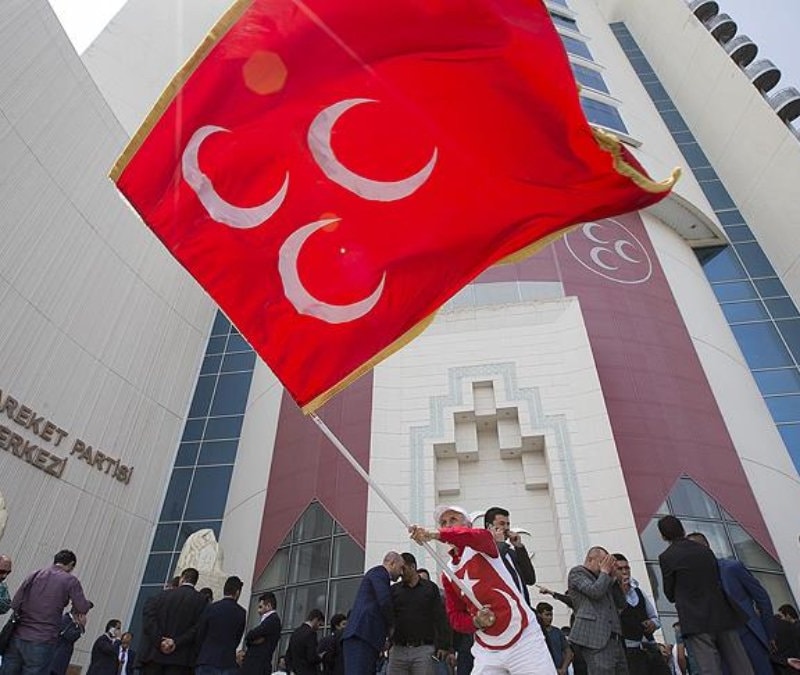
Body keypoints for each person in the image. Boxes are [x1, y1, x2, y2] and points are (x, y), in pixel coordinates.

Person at [409, 505, 555, 675]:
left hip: (524, 640)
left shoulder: (483, 544)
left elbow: (474, 537)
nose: (448, 525)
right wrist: (476, 622)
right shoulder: (447, 573)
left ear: (468, 525)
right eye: (443, 522)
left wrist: (434, 534)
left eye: (453, 520)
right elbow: (455, 616)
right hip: (487, 649)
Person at [657, 516, 752, 675]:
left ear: (663, 535)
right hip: (721, 613)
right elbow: (716, 576)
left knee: (709, 668)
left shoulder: (667, 557)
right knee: (741, 664)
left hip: (695, 619)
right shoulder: (704, 549)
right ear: (682, 529)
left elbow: (670, 593)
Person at [686, 532, 774, 675]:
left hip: (749, 636)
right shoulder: (695, 581)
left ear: (706, 547)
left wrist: (769, 633)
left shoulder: (732, 568)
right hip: (723, 646)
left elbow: (762, 598)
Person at [1, 549, 93, 675]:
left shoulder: (34, 574)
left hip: (18, 637)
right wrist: (87, 604)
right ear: (71, 565)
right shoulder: (70, 581)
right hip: (43, 639)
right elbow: (82, 607)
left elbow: (15, 603)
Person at [388, 552, 451, 675]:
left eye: (403, 569)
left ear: (412, 567)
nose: (401, 573)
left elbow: (440, 617)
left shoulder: (430, 588)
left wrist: (444, 645)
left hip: (423, 649)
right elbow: (388, 617)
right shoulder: (394, 590)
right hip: (398, 648)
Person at [342, 552, 405, 675]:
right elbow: (384, 600)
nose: (402, 573)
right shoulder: (379, 573)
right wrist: (392, 625)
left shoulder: (378, 575)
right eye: (401, 567)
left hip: (365, 636)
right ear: (392, 563)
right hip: (362, 635)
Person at [567, 546, 627, 675]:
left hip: (615, 638)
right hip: (595, 637)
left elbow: (622, 603)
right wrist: (605, 573)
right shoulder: (577, 573)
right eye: (602, 562)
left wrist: (615, 579)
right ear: (590, 559)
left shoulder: (604, 579)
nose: (604, 567)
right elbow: (595, 592)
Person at [144, 567, 208, 675]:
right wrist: (176, 642)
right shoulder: (201, 601)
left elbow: (149, 620)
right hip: (182, 659)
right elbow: (199, 628)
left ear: (182, 579)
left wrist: (160, 640)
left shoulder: (162, 596)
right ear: (195, 581)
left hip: (156, 656)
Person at [611, 553, 666, 675]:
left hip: (649, 647)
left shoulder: (638, 591)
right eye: (620, 569)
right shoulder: (610, 594)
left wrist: (652, 623)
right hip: (629, 650)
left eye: (627, 568)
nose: (625, 572)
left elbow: (654, 617)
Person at [484, 507, 536, 607]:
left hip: (524, 609)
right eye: (502, 524)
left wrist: (519, 547)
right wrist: (499, 543)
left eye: (508, 524)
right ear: (489, 526)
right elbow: (494, 567)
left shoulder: (511, 552)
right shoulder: (484, 551)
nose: (507, 528)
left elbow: (530, 579)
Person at [195, 576, 247, 675]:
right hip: (228, 662)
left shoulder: (211, 608)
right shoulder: (241, 612)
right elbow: (238, 637)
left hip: (207, 659)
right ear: (237, 592)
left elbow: (200, 633)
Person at [136, 577, 180, 675]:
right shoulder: (180, 605)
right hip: (169, 657)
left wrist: (160, 640)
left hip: (150, 654)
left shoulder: (154, 599)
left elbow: (149, 624)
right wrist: (166, 643)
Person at [240, 592, 281, 675]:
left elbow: (250, 635)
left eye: (260, 607)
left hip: (257, 667)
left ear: (268, 606)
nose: (258, 611)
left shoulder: (272, 620)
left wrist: (250, 640)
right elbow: (251, 637)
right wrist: (251, 641)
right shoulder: (269, 621)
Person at [286, 609, 325, 675]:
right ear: (315, 619)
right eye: (319, 624)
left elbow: (288, 656)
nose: (318, 627)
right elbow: (312, 657)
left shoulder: (295, 632)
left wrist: (291, 670)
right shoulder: (311, 634)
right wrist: (320, 657)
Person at [47, 611, 87, 675]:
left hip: (58, 665)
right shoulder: (65, 620)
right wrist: (81, 626)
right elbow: (70, 636)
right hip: (54, 663)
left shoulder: (72, 623)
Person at [536, 602, 571, 675]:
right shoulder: (536, 633)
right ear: (539, 615)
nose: (550, 618)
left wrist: (563, 668)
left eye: (551, 615)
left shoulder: (558, 632)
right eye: (547, 615)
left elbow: (568, 652)